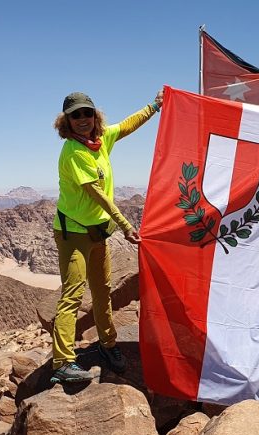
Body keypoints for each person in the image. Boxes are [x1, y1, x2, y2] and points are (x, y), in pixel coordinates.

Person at [50, 90, 162, 383]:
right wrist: (126, 225)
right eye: (76, 115)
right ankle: (62, 362)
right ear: (67, 121)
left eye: (87, 113)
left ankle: (108, 344)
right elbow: (97, 194)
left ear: (94, 116)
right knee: (73, 294)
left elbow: (126, 125)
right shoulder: (74, 152)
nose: (83, 119)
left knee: (103, 290)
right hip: (72, 232)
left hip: (97, 232)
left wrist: (154, 106)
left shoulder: (99, 141)